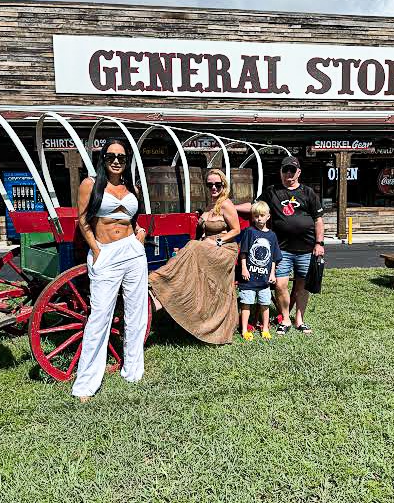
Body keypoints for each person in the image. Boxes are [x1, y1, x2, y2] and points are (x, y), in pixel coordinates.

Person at [72, 139, 148, 402]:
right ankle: (85, 385)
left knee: (136, 312)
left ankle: (133, 371)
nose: (116, 161)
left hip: (132, 251)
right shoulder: (90, 184)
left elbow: (133, 219)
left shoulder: (132, 188)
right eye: (111, 156)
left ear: (127, 162)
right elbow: (83, 219)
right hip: (105, 252)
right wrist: (95, 249)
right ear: (103, 158)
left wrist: (140, 233)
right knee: (100, 316)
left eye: (122, 157)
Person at [148, 168, 241, 345]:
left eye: (217, 184)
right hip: (207, 247)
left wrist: (219, 241)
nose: (214, 188)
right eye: (210, 185)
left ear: (224, 185)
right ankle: (166, 293)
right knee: (190, 251)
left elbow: (236, 230)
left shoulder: (226, 204)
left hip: (224, 249)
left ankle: (158, 278)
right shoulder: (209, 205)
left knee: (193, 246)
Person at [236, 156, 324, 335]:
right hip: (282, 249)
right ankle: (285, 319)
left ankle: (299, 320)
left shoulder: (308, 193)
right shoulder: (272, 191)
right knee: (280, 285)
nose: (288, 174)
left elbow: (318, 220)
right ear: (281, 172)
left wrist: (319, 242)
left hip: (307, 248)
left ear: (299, 172)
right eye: (285, 170)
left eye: (292, 170)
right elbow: (255, 207)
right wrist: (230, 206)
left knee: (302, 285)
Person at [238, 201, 282, 341]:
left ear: (268, 217)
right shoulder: (249, 232)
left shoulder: (272, 236)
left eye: (262, 215)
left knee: (265, 304)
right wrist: (244, 268)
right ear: (252, 217)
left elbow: (274, 257)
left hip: (264, 280)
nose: (259, 218)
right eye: (256, 216)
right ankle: (244, 329)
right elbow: (243, 252)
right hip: (249, 278)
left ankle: (265, 328)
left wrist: (272, 273)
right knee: (246, 304)